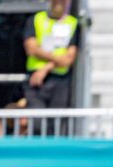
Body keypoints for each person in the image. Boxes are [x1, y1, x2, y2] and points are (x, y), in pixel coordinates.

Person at [23, 0, 79, 133]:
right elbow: (31, 48)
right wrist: (55, 60)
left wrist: (46, 67)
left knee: (57, 124)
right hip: (36, 80)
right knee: (36, 122)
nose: (58, 2)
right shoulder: (37, 19)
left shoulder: (72, 23)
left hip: (60, 80)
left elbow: (69, 58)